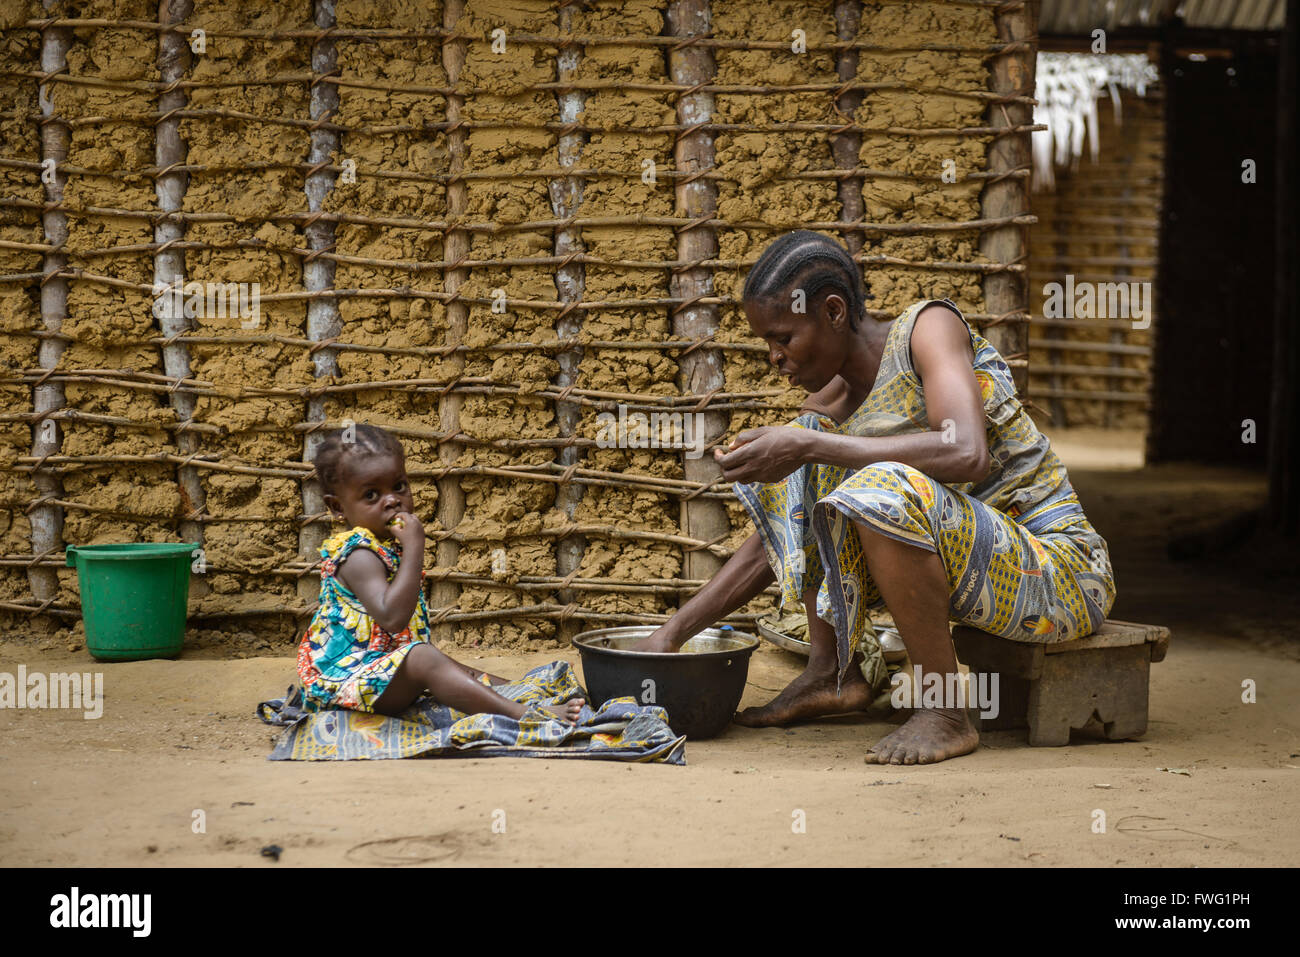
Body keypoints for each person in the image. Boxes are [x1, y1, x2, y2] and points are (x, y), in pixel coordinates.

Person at [635, 231, 1115, 764]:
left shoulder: (927, 331)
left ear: (834, 311)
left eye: (784, 338)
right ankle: (833, 673)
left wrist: (812, 442)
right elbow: (772, 544)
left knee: (871, 479)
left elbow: (968, 451)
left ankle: (944, 709)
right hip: (987, 581)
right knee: (810, 462)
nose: (774, 358)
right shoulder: (830, 406)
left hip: (1061, 576)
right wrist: (670, 635)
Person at [296, 424, 584, 724]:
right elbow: (392, 619)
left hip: (376, 673)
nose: (392, 500)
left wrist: (506, 686)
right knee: (423, 658)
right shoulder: (358, 555)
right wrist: (415, 547)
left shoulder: (384, 547)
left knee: (438, 661)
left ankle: (515, 693)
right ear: (337, 507)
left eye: (399, 487)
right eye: (371, 495)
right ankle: (524, 714)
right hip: (342, 686)